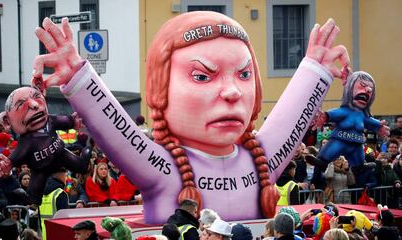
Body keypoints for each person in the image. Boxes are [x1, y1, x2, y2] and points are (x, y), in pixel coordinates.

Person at [33, 12, 350, 223]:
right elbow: (118, 130)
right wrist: (77, 75)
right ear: (160, 90)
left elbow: (290, 121)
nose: (232, 93)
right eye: (201, 76)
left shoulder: (259, 161)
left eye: (243, 74)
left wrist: (316, 70)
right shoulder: (165, 167)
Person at [0, 83, 91, 207]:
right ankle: (32, 202)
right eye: (22, 104)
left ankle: (81, 164)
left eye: (35, 98)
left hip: (60, 154)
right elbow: (18, 154)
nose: (34, 105)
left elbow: (65, 121)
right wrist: (9, 163)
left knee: (79, 166)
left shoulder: (50, 120)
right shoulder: (27, 140)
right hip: (40, 167)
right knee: (35, 192)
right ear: (7, 120)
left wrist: (73, 121)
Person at [39, 167, 69, 240]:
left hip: (45, 232)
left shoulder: (41, 192)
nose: (66, 179)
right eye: (66, 176)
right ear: (61, 176)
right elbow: (64, 218)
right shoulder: (60, 193)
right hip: (58, 233)